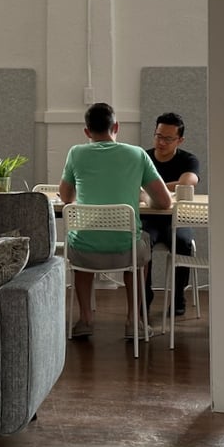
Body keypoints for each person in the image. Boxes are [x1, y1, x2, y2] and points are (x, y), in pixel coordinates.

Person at [58, 102, 172, 340]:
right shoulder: (137, 154)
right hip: (125, 251)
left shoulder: (76, 153)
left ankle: (85, 319)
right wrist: (143, 197)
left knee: (79, 238)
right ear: (116, 127)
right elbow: (164, 202)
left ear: (87, 132)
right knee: (140, 245)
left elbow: (66, 197)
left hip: (85, 253)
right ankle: (133, 321)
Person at [141, 111, 201, 318]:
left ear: (179, 140)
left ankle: (177, 298)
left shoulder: (188, 159)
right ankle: (144, 297)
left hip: (176, 218)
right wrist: (167, 188)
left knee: (183, 243)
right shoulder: (144, 158)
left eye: (168, 139)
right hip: (148, 217)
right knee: (141, 243)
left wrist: (151, 188)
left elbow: (187, 183)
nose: (162, 142)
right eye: (159, 136)